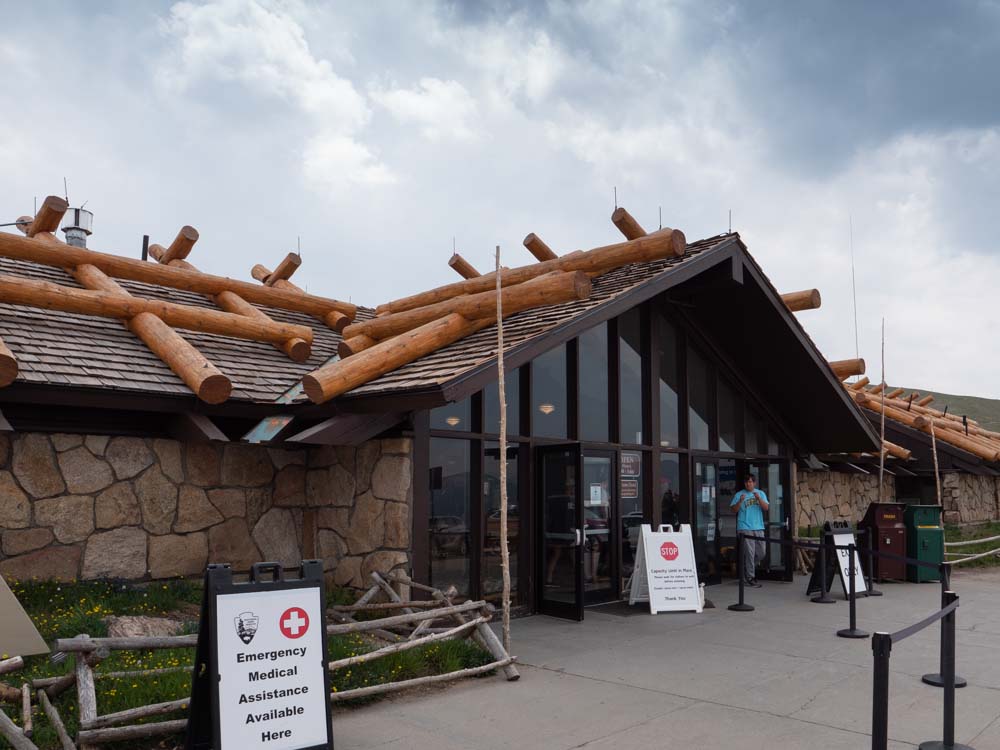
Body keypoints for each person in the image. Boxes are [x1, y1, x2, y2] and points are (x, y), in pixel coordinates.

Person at [730, 473, 769, 587]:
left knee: (761, 553)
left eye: (751, 482)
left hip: (758, 527)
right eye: (747, 482)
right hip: (744, 527)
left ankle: (746, 569)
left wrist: (759, 499)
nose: (748, 484)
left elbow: (766, 508)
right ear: (744, 483)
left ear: (754, 483)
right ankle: (750, 577)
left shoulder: (760, 493)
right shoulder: (739, 494)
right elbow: (733, 510)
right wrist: (740, 501)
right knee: (750, 553)